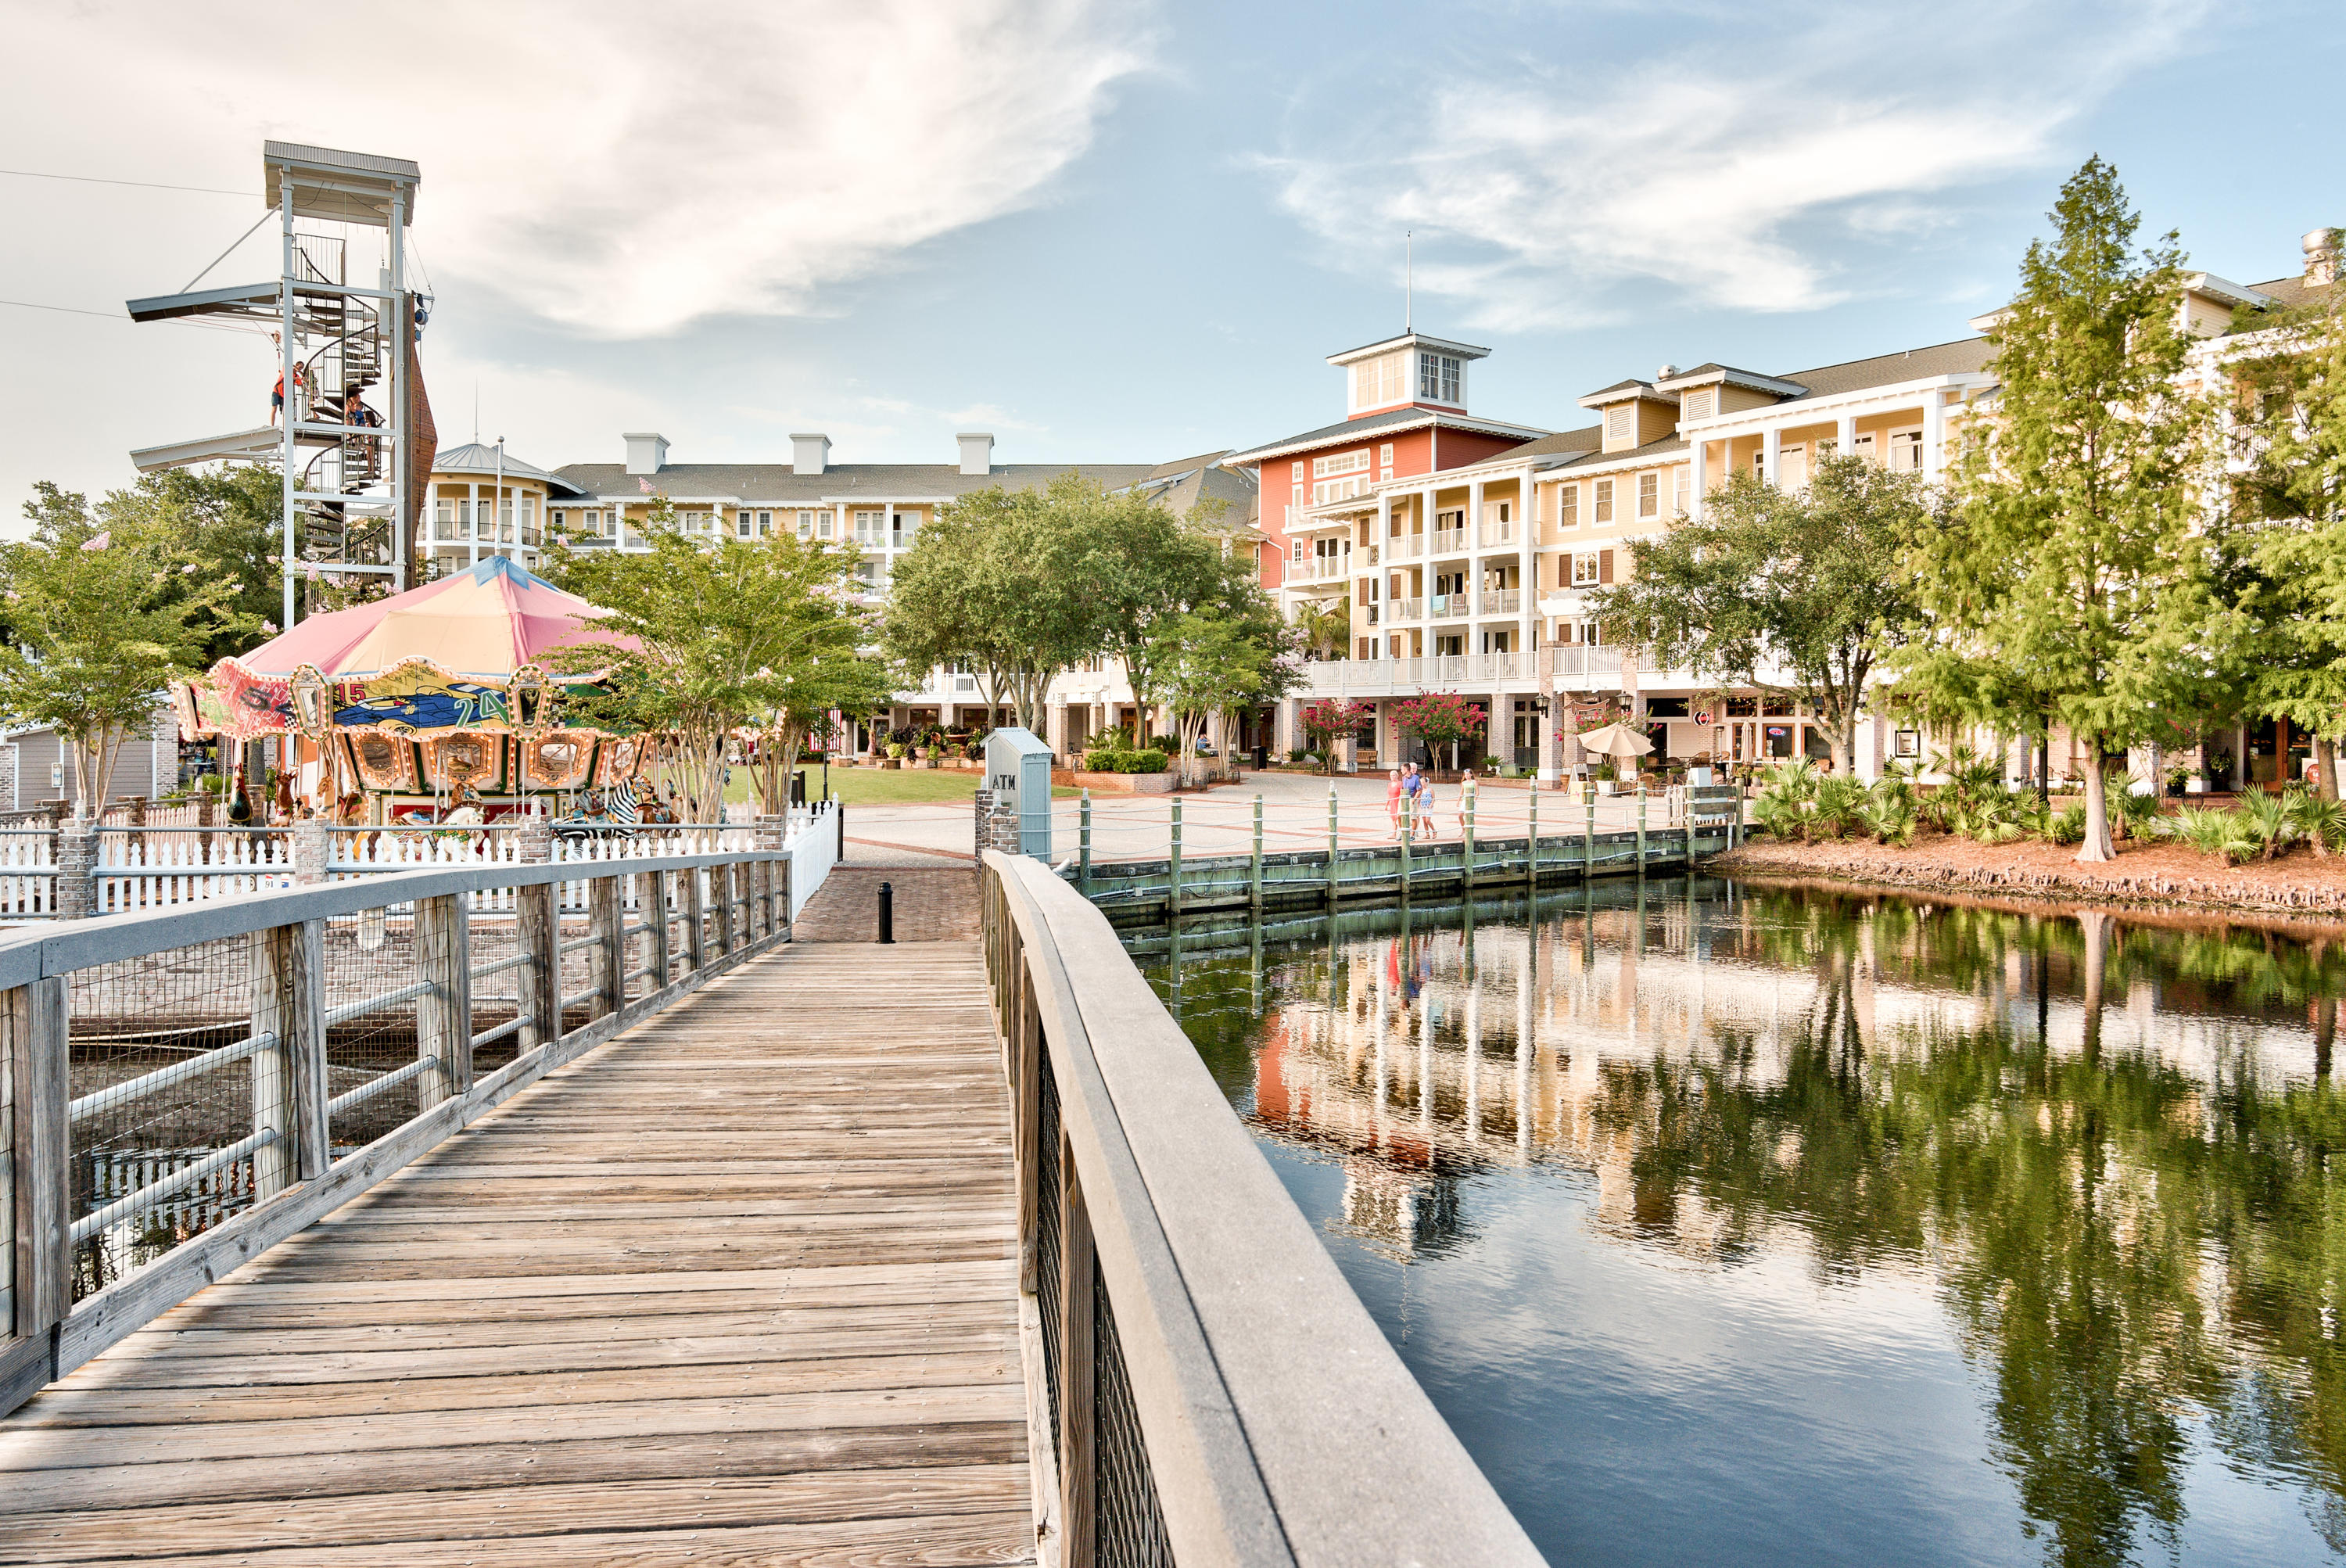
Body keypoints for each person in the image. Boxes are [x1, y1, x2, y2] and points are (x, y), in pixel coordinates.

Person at [1386, 767, 1404, 839]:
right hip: (1392, 803)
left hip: (1398, 802)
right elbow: (1389, 795)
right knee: (1393, 819)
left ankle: (1403, 833)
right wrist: (1387, 804)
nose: (1392, 777)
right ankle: (1394, 834)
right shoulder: (1389, 784)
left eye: (1394, 775)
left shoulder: (1400, 784)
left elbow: (1402, 793)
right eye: (1391, 775)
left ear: (1397, 776)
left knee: (1399, 818)